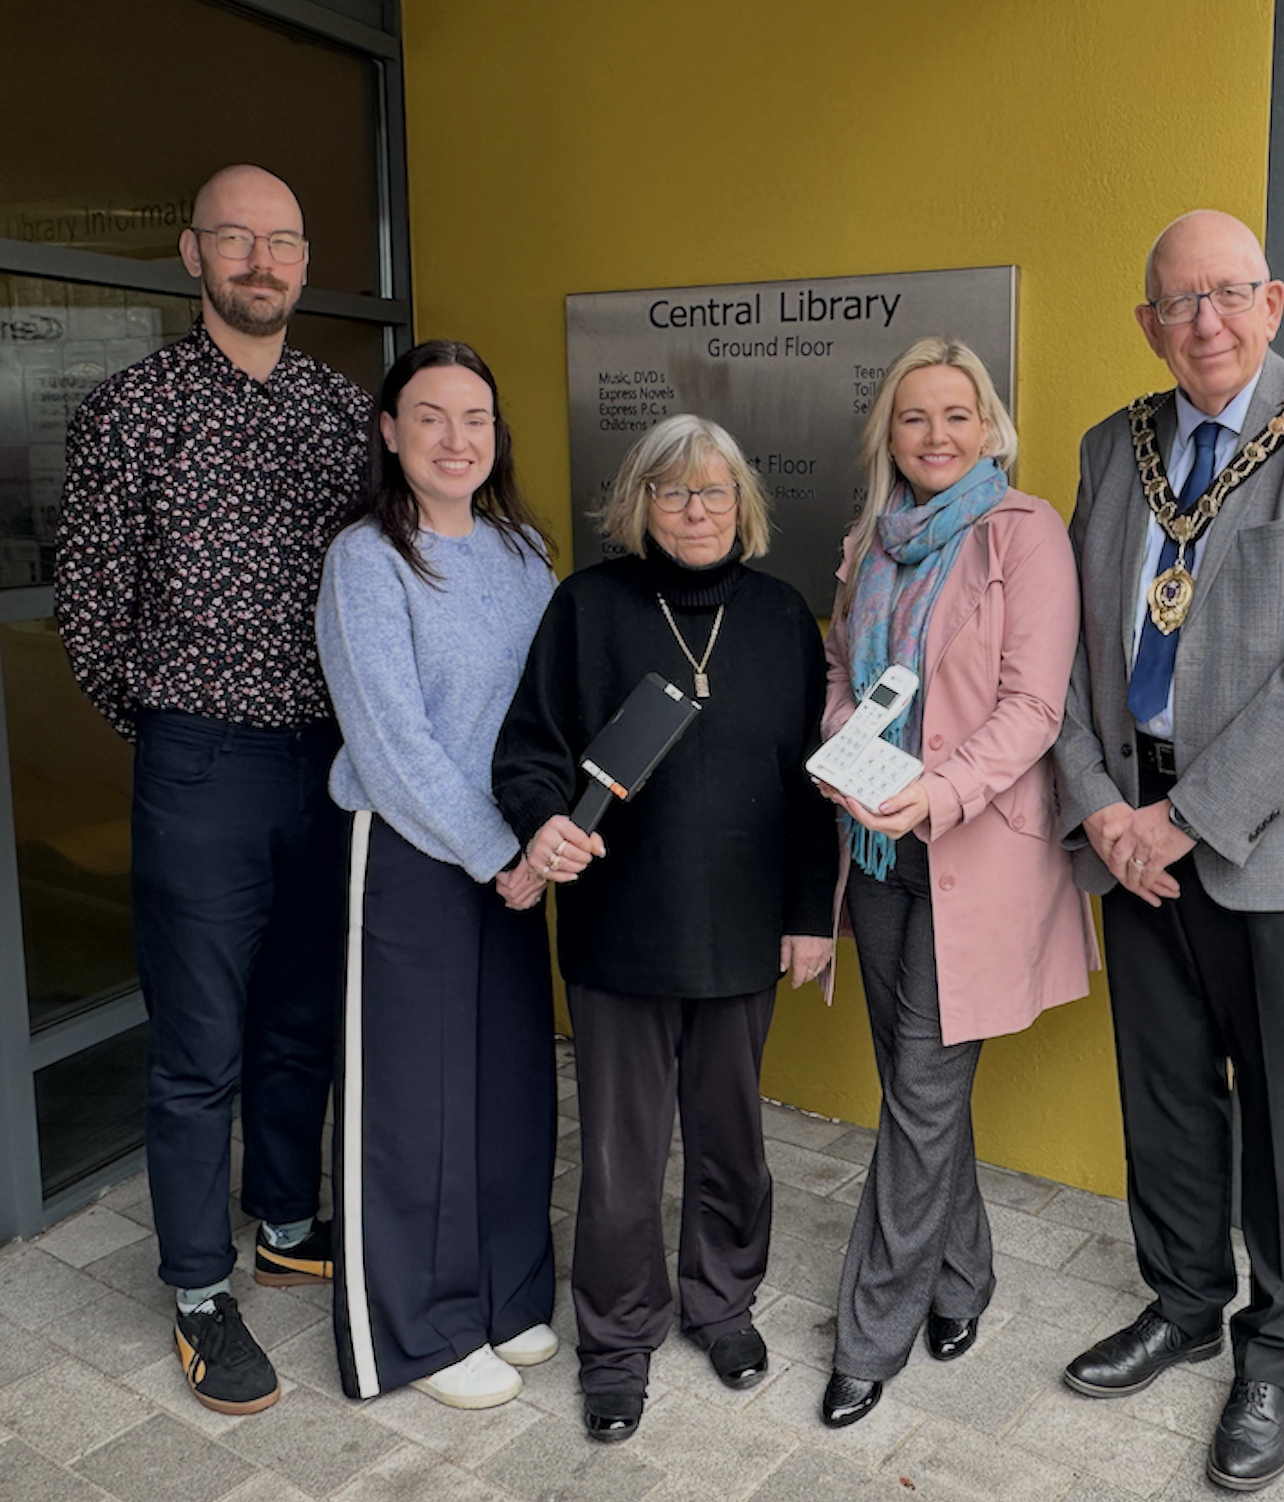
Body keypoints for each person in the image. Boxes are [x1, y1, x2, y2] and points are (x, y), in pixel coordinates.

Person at [1052, 209, 1284, 1491]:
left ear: (1273, 300)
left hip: (1271, 844)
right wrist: (1102, 806)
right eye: (1178, 302)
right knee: (1164, 1090)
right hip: (1130, 834)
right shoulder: (1115, 446)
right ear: (1147, 322)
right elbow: (1071, 651)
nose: (1204, 321)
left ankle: (1282, 1344)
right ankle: (1185, 1300)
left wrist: (1185, 816)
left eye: (1227, 294)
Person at [54, 165, 369, 1415]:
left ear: (305, 260)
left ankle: (285, 1219)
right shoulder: (132, 409)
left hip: (327, 760)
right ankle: (197, 1285)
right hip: (201, 761)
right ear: (192, 254)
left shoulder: (344, 413)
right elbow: (90, 608)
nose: (260, 260)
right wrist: (172, 728)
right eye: (235, 237)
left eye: (281, 240)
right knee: (197, 1044)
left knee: (300, 1011)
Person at [492, 413, 837, 1444]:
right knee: (619, 1155)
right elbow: (530, 750)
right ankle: (616, 1339)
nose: (695, 509)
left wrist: (811, 914)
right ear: (640, 503)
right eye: (673, 490)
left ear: (744, 505)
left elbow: (809, 787)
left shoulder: (781, 617)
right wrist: (540, 820)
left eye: (714, 491)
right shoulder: (587, 607)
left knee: (731, 1137)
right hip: (619, 930)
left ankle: (721, 1305)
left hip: (744, 930)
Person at [815, 338, 1097, 1429]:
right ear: (888, 434)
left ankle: (867, 1335)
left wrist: (932, 793)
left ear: (989, 428)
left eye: (956, 414)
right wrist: (846, 750)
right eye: (913, 417)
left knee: (922, 1095)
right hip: (878, 851)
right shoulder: (868, 544)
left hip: (970, 849)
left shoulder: (1023, 533)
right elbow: (843, 673)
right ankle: (964, 1277)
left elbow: (1033, 708)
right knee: (917, 1091)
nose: (936, 435)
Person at [315, 340, 561, 1410]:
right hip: (411, 854)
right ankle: (417, 1330)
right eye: (430, 416)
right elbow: (389, 740)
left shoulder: (522, 551)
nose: (456, 439)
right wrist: (500, 849)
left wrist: (543, 835)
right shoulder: (369, 558)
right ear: (389, 429)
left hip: (511, 856)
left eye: (476, 418)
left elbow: (551, 708)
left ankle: (506, 1291)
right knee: (412, 1100)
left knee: (508, 1084)